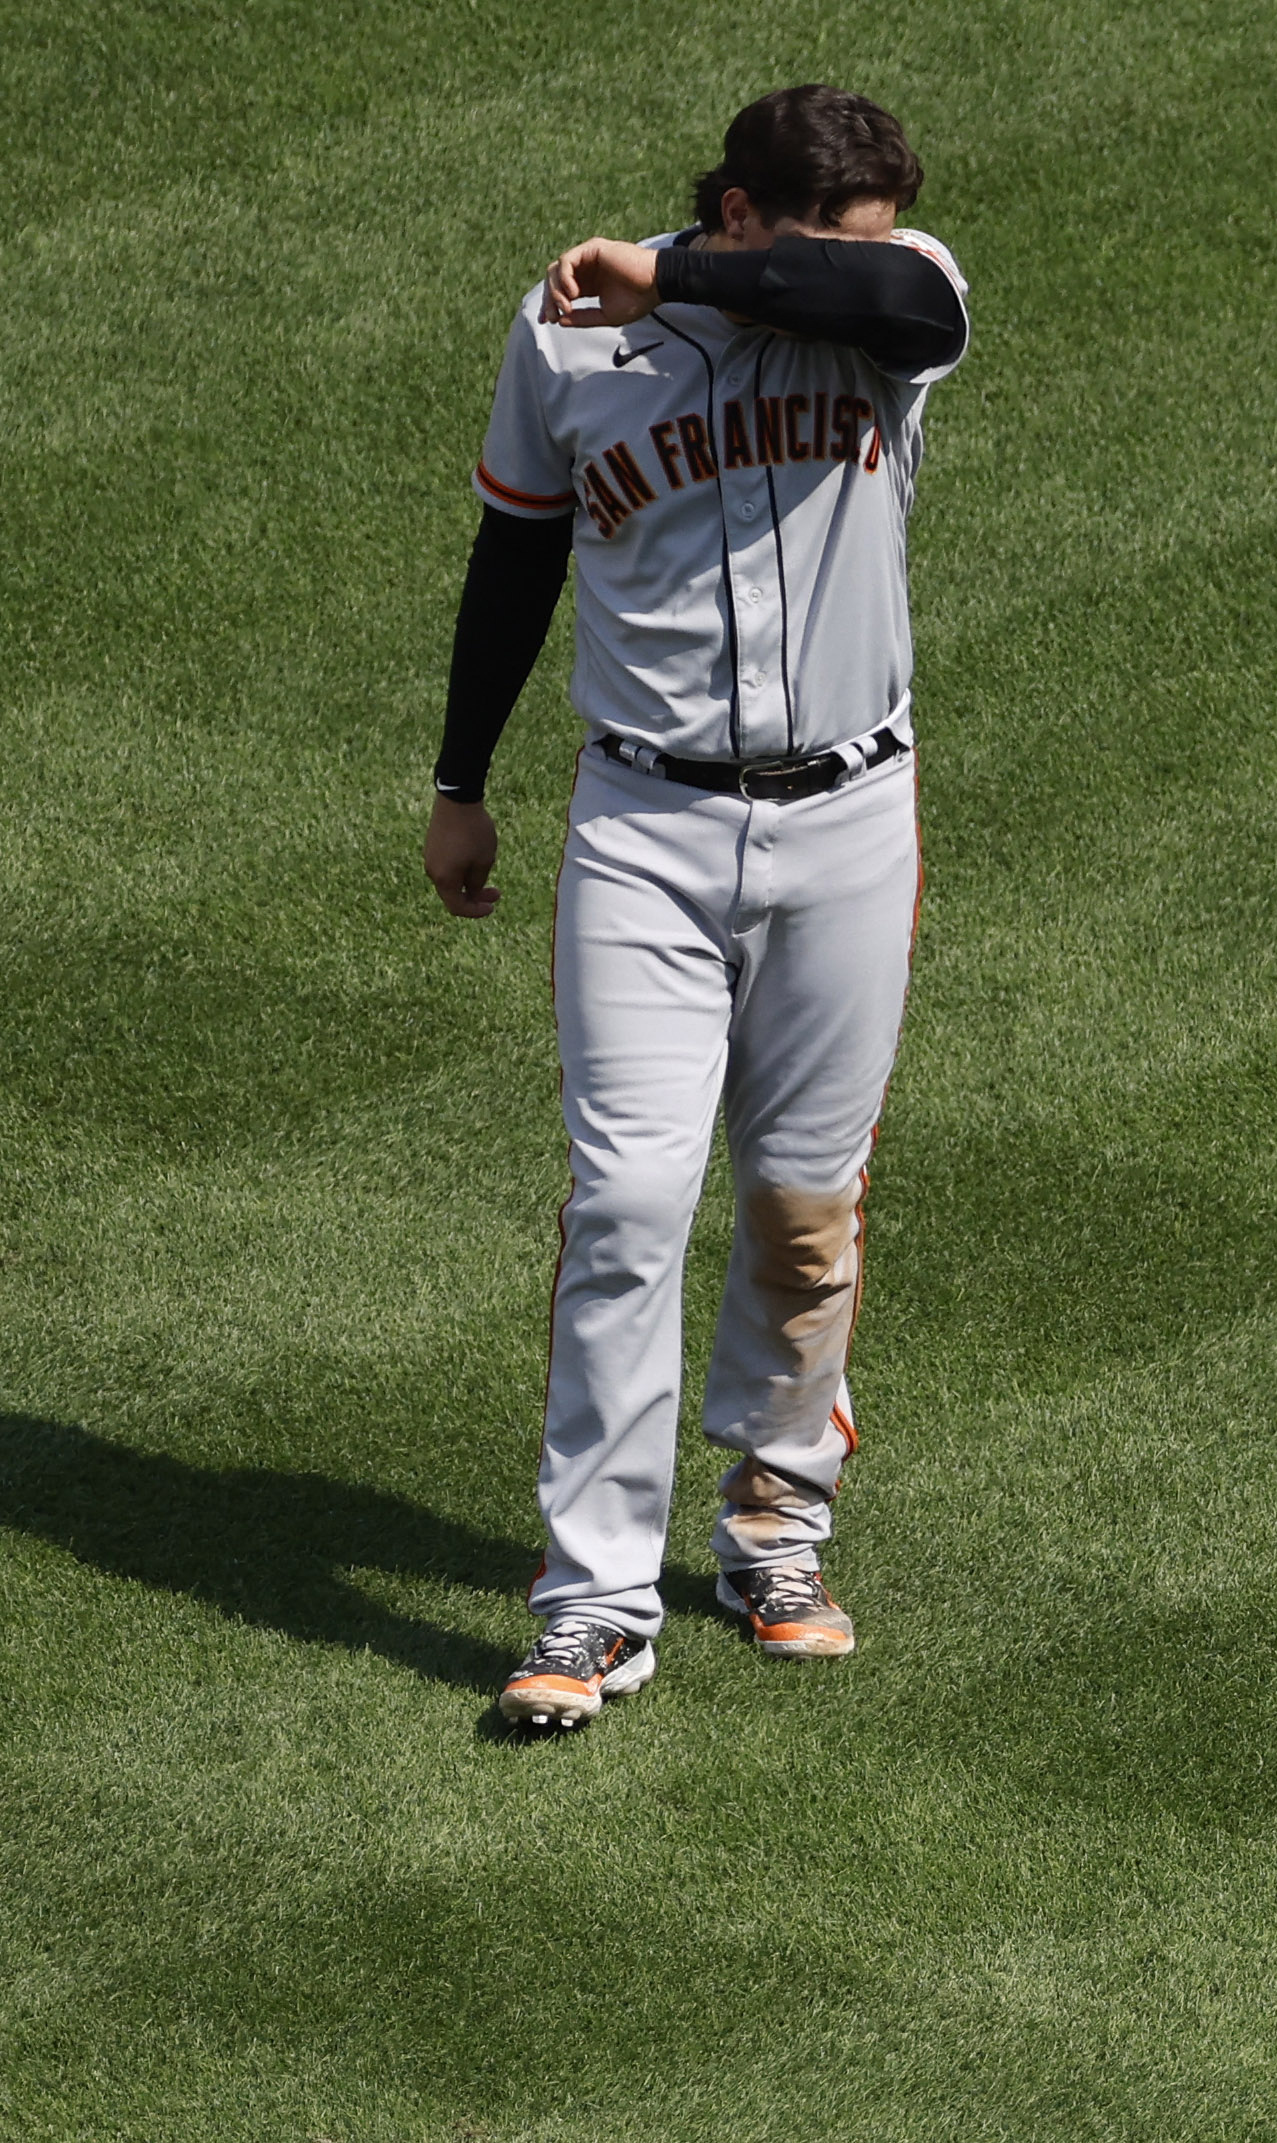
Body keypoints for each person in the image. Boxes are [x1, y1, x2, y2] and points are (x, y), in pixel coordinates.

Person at [421, 85, 972, 1727]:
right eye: (816, 229)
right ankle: (591, 1602)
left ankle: (773, 1526)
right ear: (735, 207)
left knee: (805, 1209)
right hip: (643, 823)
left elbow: (893, 297)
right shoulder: (568, 335)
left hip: (851, 819)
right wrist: (462, 781)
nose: (864, 256)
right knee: (626, 1209)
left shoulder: (893, 288)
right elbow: (514, 551)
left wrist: (688, 280)